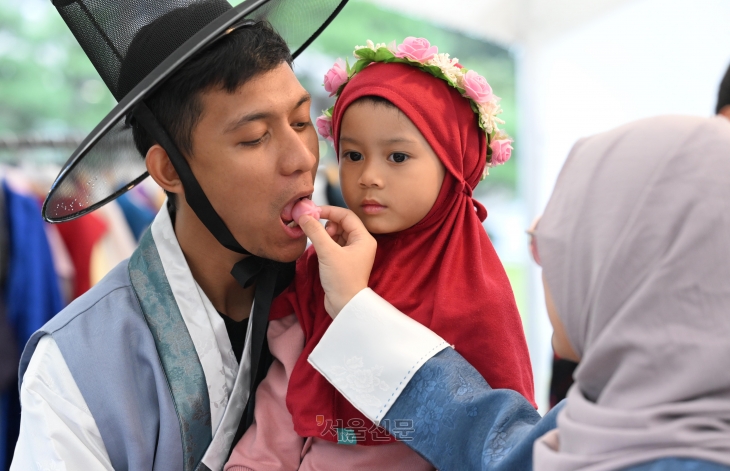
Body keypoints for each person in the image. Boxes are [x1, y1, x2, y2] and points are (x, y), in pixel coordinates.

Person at [9, 0, 367, 469]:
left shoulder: (353, 284)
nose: (301, 157)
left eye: (301, 122)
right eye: (256, 136)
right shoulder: (75, 365)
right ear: (168, 169)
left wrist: (363, 317)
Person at [302, 114, 730, 470]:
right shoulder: (613, 422)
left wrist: (355, 307)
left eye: (562, 245)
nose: (543, 260)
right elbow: (495, 442)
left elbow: (495, 450)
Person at [225, 38, 534, 470]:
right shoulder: (323, 266)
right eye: (352, 155)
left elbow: (499, 444)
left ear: (452, 162)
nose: (369, 176)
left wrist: (355, 305)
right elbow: (281, 404)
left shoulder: (476, 292)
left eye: (398, 156)